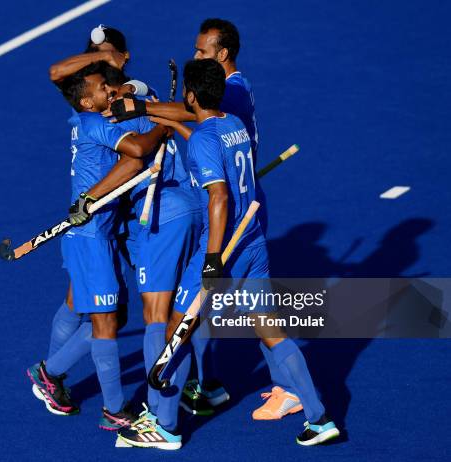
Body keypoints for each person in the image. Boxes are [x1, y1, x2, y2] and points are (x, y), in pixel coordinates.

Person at [119, 59, 339, 448]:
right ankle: (319, 417)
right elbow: (211, 146)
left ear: (189, 95)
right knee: (271, 329)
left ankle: (165, 427)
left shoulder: (205, 139)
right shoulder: (232, 124)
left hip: (224, 248)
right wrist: (178, 127)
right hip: (253, 242)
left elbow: (218, 196)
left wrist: (212, 258)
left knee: (176, 327)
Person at [27, 63, 172, 431]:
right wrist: (163, 124)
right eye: (101, 87)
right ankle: (114, 409)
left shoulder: (91, 121)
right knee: (106, 321)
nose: (110, 89)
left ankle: (50, 371)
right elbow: (138, 151)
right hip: (90, 237)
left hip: (100, 233)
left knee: (115, 317)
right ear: (85, 101)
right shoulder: (92, 124)